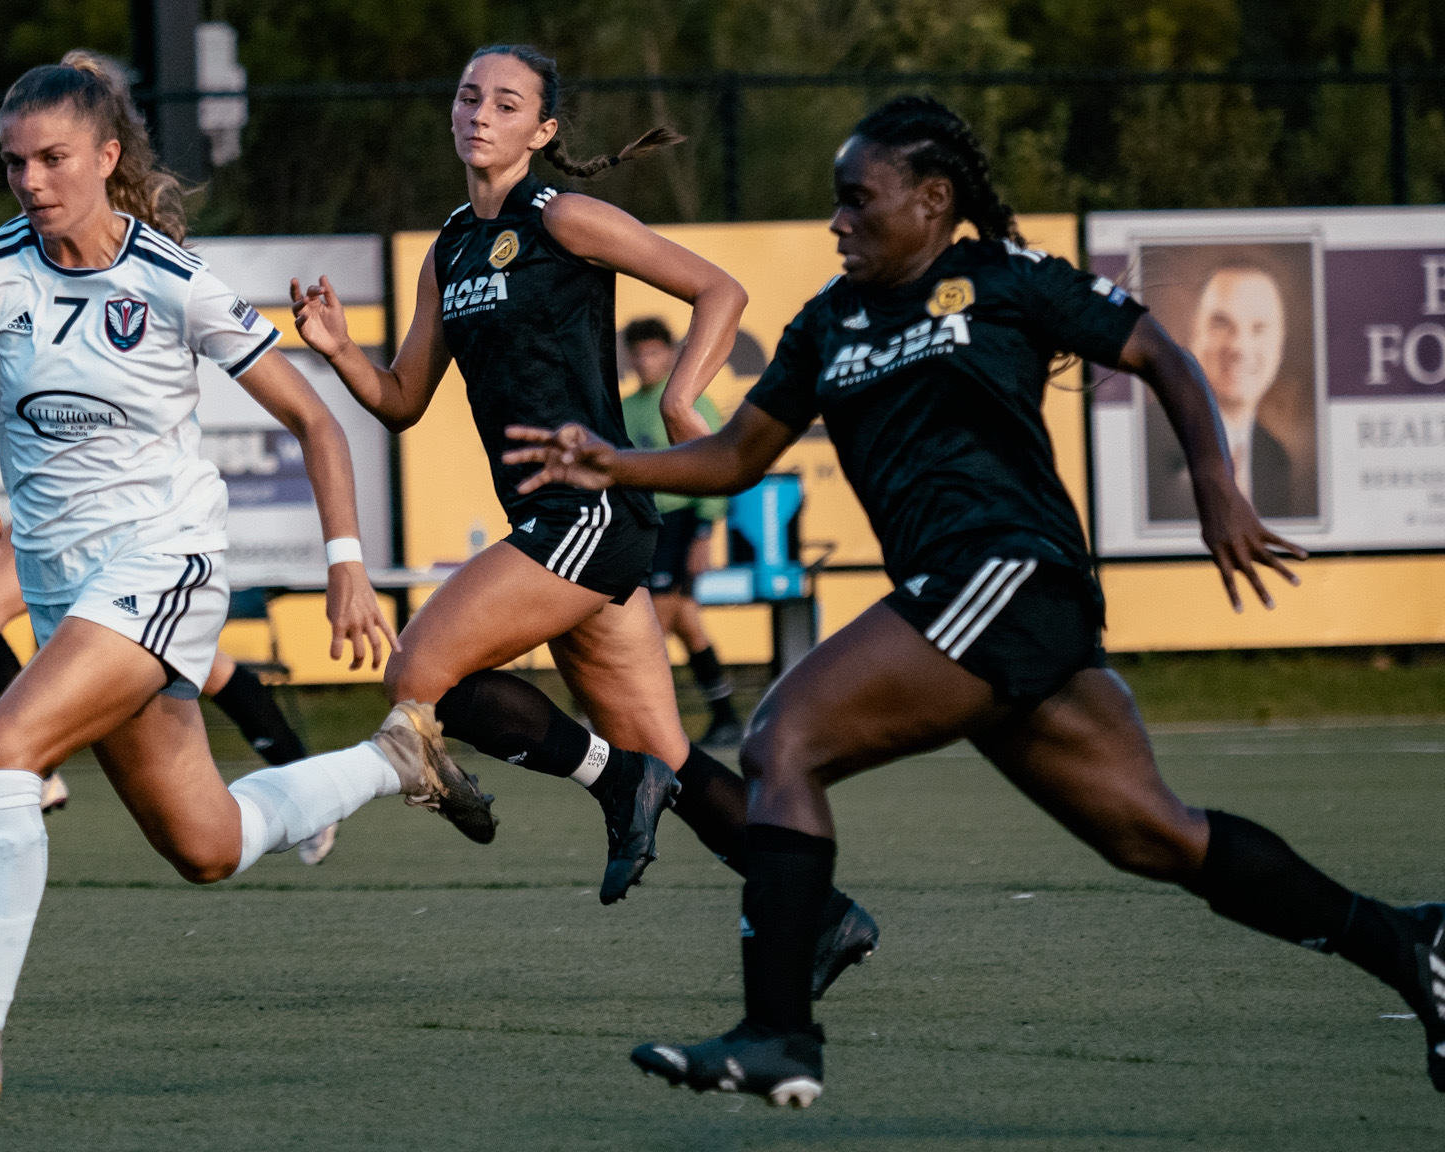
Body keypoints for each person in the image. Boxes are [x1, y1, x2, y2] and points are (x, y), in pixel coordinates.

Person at [506, 95, 1443, 1107]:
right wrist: (616, 460)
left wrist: (1214, 484)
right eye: (833, 203)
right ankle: (1409, 945)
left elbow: (1160, 355)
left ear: (931, 200)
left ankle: (778, 1031)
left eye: (856, 201)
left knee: (783, 737)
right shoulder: (826, 322)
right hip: (965, 600)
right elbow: (736, 456)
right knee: (1153, 835)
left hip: (1011, 574)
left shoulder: (1000, 281)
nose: (836, 222)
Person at [0, 53, 495, 1116]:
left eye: (52, 158)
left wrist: (346, 565)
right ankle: (396, 759)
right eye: (13, 162)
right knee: (206, 846)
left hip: (166, 563)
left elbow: (312, 419)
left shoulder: (172, 281)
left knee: (0, 749)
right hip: (70, 591)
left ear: (107, 158)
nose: (30, 180)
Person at [292, 41, 878, 985]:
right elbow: (403, 399)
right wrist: (337, 350)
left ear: (544, 130)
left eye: (507, 102)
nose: (480, 113)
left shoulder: (563, 216)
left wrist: (685, 405)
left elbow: (716, 291)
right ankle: (822, 915)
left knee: (421, 672)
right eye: (468, 95)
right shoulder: (449, 247)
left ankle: (615, 783)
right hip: (553, 521)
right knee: (670, 756)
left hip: (594, 510)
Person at [0, 531, 337, 864]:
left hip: (124, 520)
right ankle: (37, 774)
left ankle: (308, 787)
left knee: (200, 664)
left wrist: (345, 557)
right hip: (43, 514)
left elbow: (318, 439)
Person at [618, 316, 743, 745]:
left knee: (657, 622)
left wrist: (705, 532)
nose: (645, 361)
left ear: (671, 355)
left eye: (653, 352)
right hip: (644, 524)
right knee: (687, 624)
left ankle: (638, 723)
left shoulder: (687, 400)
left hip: (683, 521)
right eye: (637, 353)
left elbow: (714, 463)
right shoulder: (626, 408)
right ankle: (725, 716)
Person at [1146, 263, 1304, 520]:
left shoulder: (1274, 459)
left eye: (1259, 328)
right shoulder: (1145, 443)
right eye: (1221, 324)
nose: (1239, 346)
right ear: (1192, 336)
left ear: (1280, 346)